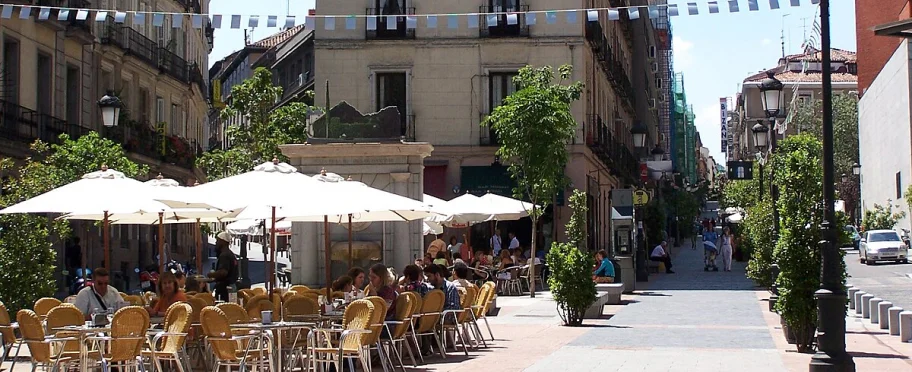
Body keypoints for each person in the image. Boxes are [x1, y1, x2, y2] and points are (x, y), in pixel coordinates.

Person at [208, 231, 239, 302]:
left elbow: (223, 272)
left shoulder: (224, 255)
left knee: (224, 308)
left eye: (217, 241)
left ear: (223, 242)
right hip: (231, 288)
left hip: (225, 290)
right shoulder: (231, 254)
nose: (216, 243)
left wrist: (211, 275)